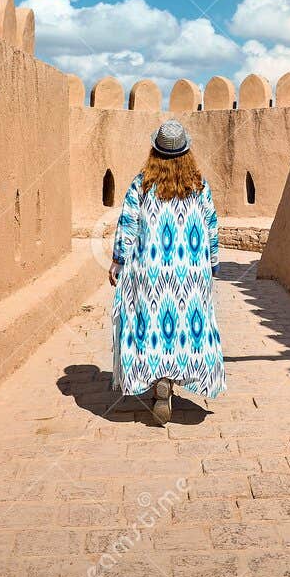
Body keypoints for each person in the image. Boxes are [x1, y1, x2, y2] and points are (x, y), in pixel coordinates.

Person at [108, 119, 224, 424]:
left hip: (151, 270)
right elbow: (211, 227)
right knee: (186, 325)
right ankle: (176, 376)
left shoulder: (141, 184)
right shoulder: (199, 184)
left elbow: (128, 224)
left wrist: (118, 260)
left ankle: (159, 378)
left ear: (155, 151)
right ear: (186, 152)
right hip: (191, 271)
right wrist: (213, 263)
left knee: (152, 323)